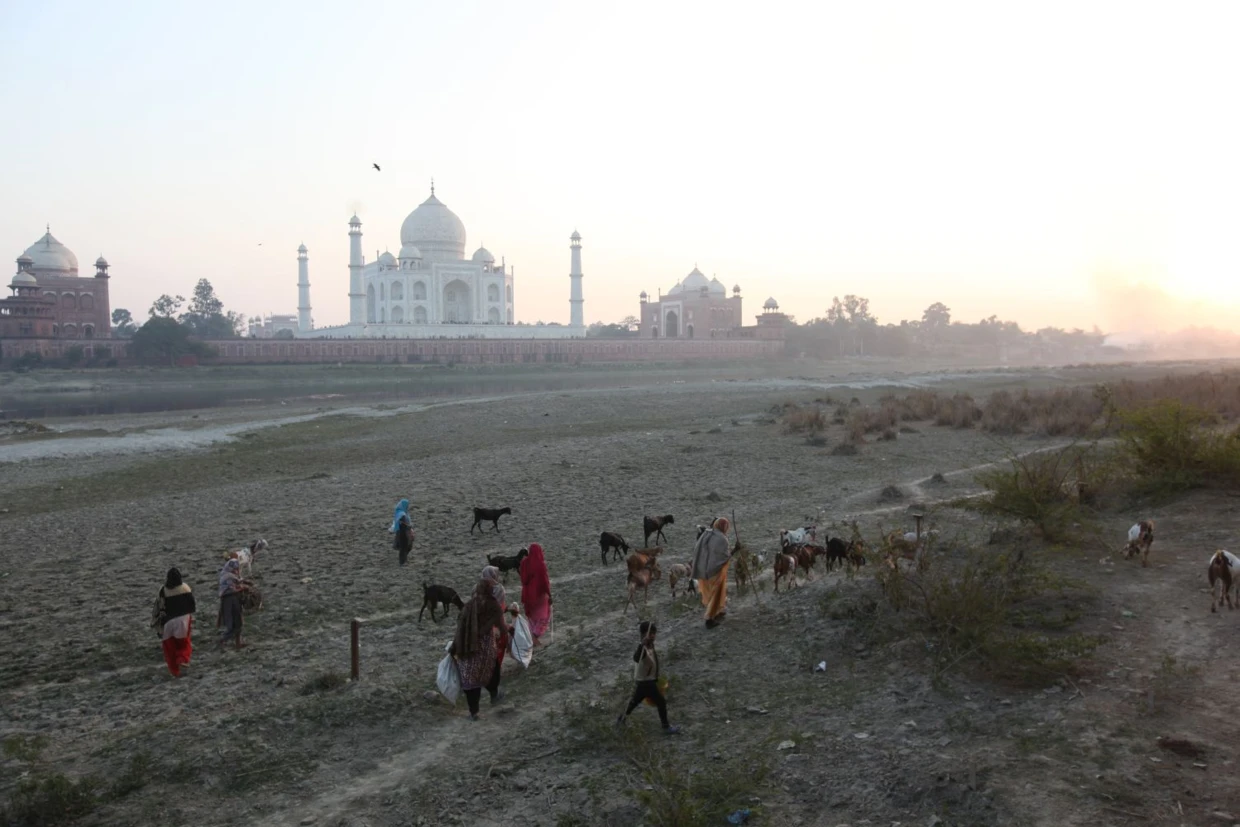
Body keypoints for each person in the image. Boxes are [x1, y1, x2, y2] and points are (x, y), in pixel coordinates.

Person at [450, 575, 508, 720]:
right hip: (487, 645)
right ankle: (494, 695)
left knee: (470, 677)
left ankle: (474, 712)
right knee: (491, 670)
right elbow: (503, 628)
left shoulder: (469, 606)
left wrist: (455, 646)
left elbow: (460, 629)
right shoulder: (494, 605)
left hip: (470, 646)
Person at [616, 621, 680, 734]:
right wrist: (642, 645)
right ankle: (666, 727)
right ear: (643, 635)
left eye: (654, 633)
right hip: (647, 683)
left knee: (634, 702)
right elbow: (636, 658)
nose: (653, 636)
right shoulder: (642, 649)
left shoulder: (650, 646)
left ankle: (621, 719)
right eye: (650, 633)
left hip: (644, 682)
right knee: (661, 702)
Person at [152, 567, 196, 677]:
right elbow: (192, 606)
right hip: (183, 621)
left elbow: (158, 608)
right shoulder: (185, 587)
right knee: (184, 644)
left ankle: (175, 671)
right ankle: (182, 660)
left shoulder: (163, 590)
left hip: (168, 623)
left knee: (169, 647)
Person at [690, 516, 732, 628]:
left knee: (712, 591)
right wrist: (736, 550)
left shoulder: (707, 533)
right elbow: (724, 557)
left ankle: (719, 610)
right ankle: (709, 619)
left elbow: (700, 550)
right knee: (716, 593)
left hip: (704, 568)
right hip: (715, 571)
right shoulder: (722, 539)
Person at [518, 543, 552, 644]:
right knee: (543, 616)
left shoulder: (524, 563)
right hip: (538, 594)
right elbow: (545, 581)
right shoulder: (540, 564)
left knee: (532, 617)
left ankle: (530, 636)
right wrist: (549, 594)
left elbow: (523, 578)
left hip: (527, 593)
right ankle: (533, 637)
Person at [217, 558, 247, 650]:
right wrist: (242, 588)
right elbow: (233, 588)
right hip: (229, 601)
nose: (237, 571)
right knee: (233, 622)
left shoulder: (228, 574)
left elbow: (238, 582)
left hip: (233, 600)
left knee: (238, 621)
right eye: (235, 569)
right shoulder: (228, 576)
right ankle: (223, 640)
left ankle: (238, 642)